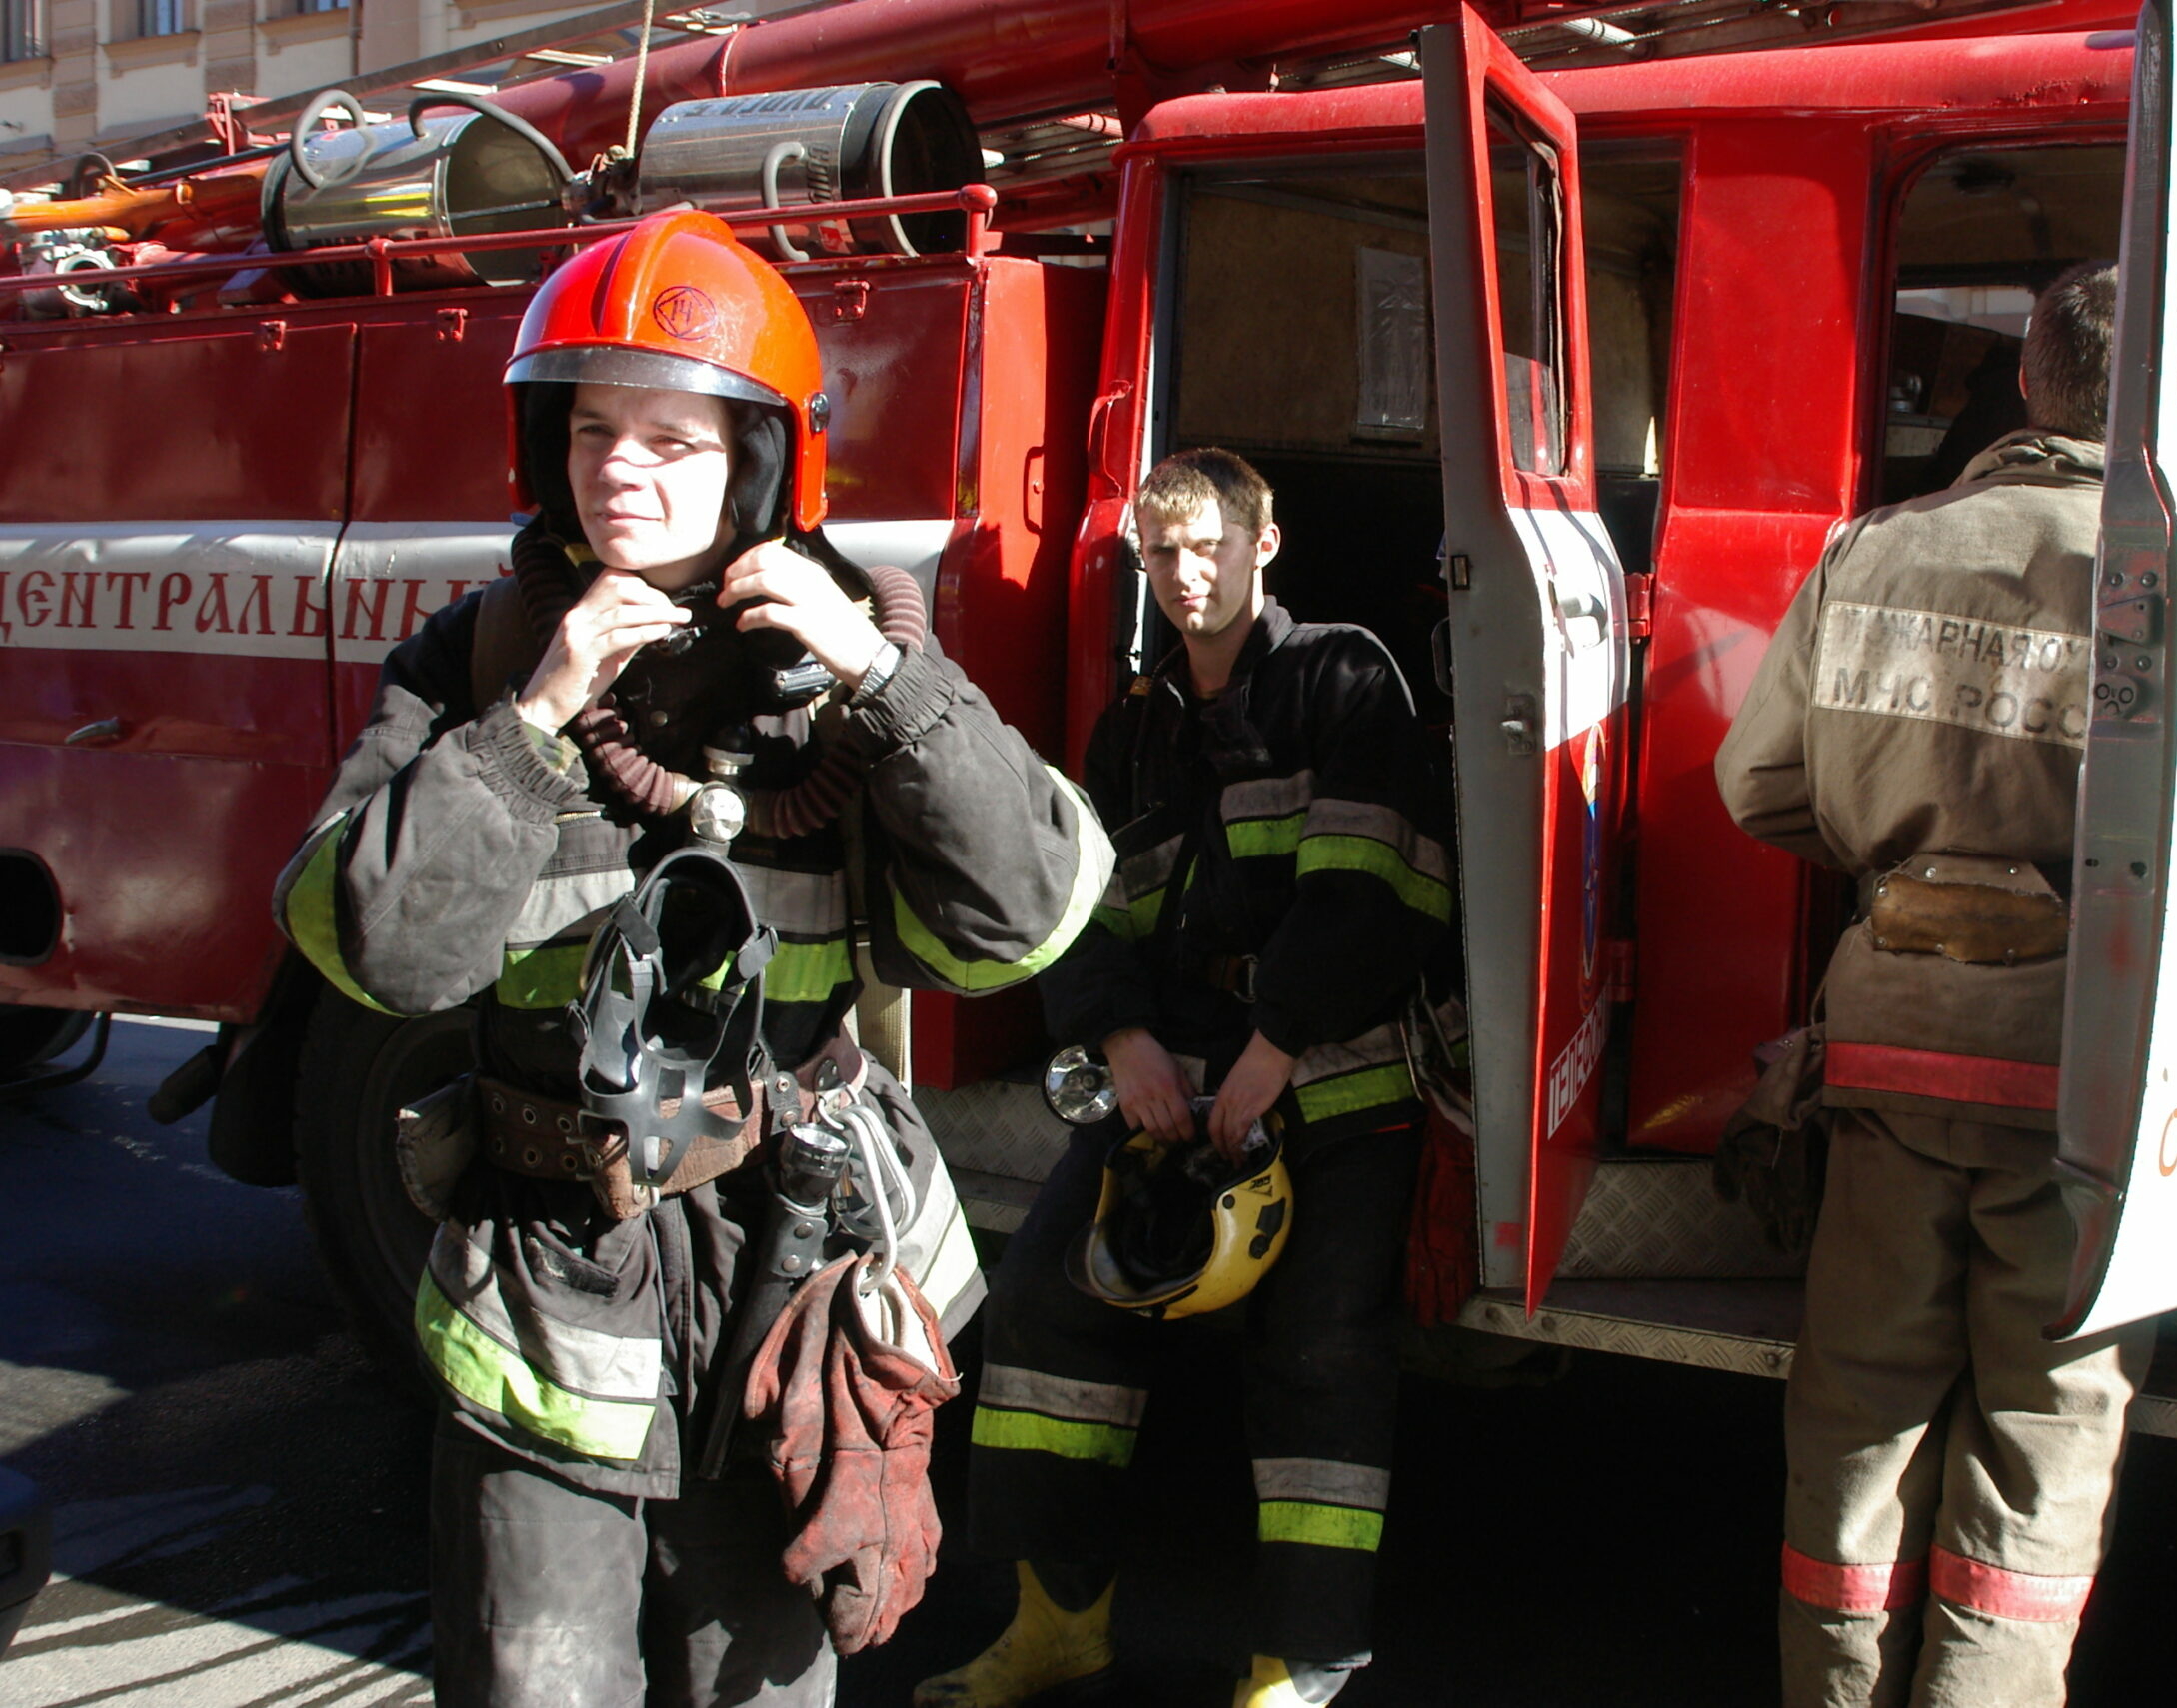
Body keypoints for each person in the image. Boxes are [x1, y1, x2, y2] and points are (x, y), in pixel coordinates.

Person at [273, 209, 1107, 1707]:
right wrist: (533, 722)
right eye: (593, 429)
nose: (619, 469)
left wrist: (881, 679)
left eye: (671, 436)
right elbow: (376, 947)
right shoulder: (474, 666)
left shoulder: (842, 676)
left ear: (763, 460)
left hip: (790, 1287)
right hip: (549, 1278)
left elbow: (1020, 915)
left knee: (763, 1690)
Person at [920, 449, 1452, 1708]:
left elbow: (1379, 887)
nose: (1187, 571)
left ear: (1266, 545)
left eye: (1211, 543)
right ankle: (1055, 1620)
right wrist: (1119, 1040)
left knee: (1318, 1349)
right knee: (1049, 1304)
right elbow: (1083, 906)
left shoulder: (1341, 674)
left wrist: (1275, 1043)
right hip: (1175, 1083)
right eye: (1163, 552)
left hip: (1334, 1078)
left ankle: (1296, 1658)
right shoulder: (1135, 725)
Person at [1716, 262, 2150, 1708]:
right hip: (2085, 1069)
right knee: (2037, 1444)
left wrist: (1890, 853)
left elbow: (1758, 783)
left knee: (1856, 1420)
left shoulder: (1871, 550)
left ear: (2027, 382)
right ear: (2164, 399)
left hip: (1893, 1044)